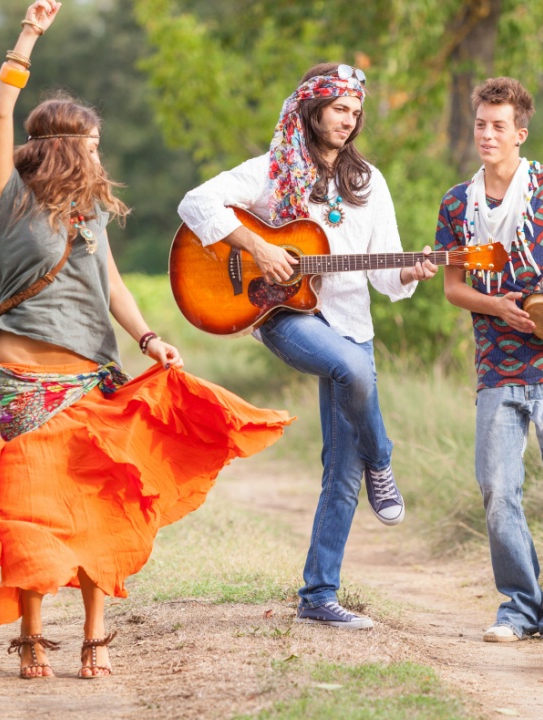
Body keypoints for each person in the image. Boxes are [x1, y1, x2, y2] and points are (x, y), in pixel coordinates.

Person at [0, 1, 291, 679]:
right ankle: (31, 635)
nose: (98, 154)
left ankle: (94, 635)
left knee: (97, 503)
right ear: (63, 146)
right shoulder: (9, 200)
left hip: (90, 376)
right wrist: (28, 36)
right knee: (32, 510)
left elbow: (112, 285)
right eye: (91, 144)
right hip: (23, 383)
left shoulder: (90, 214)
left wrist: (148, 338)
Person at [177, 63, 436, 630]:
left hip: (350, 319)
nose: (348, 120)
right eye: (339, 108)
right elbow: (196, 203)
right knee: (352, 369)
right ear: (312, 109)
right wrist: (258, 247)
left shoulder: (369, 182)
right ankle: (383, 458)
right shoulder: (273, 170)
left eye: (355, 112)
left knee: (342, 470)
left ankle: (319, 596)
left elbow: (384, 274)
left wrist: (411, 271)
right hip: (287, 316)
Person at [434, 77, 543, 644]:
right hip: (497, 366)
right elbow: (454, 286)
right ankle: (519, 606)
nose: (487, 134)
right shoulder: (458, 204)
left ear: (520, 133)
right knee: (497, 489)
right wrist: (497, 307)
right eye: (480, 124)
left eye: (498, 126)